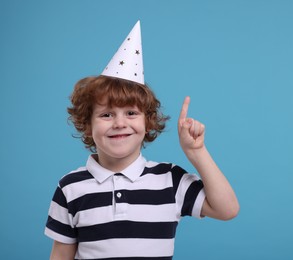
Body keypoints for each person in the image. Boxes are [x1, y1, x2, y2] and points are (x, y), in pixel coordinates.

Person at [45, 21, 239, 260]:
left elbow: (227, 209)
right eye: (106, 115)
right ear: (87, 125)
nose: (119, 123)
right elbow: (61, 255)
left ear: (147, 123)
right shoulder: (70, 187)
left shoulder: (170, 180)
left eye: (131, 113)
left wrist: (196, 153)